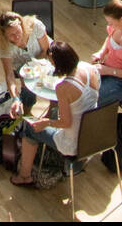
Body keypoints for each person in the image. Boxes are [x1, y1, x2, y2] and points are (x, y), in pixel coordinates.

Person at [11, 41, 99, 187]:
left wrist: (45, 123)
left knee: (29, 128)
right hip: (91, 134)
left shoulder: (64, 88)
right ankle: (82, 161)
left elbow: (66, 123)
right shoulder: (88, 68)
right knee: (54, 110)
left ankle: (24, 176)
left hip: (73, 143)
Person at [0, 10, 53, 118]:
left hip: (44, 58)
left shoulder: (36, 26)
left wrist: (34, 67)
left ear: (22, 25)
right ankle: (27, 113)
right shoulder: (4, 47)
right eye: (11, 35)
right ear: (4, 35)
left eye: (18, 32)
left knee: (55, 81)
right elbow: (9, 75)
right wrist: (15, 98)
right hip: (23, 67)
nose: (17, 37)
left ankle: (52, 112)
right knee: (28, 86)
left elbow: (46, 50)